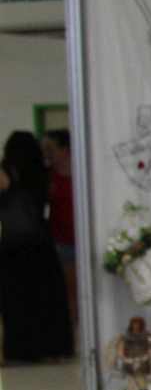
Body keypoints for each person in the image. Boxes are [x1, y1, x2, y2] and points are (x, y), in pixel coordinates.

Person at [0, 131, 74, 363]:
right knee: (46, 300)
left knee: (16, 302)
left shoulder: (6, 173)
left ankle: (21, 351)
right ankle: (52, 349)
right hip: (41, 245)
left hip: (12, 247)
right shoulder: (42, 175)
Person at [41, 129, 77, 326]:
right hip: (62, 242)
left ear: (65, 150)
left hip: (82, 239)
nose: (46, 154)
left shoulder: (81, 174)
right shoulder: (47, 177)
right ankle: (74, 330)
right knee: (68, 292)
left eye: (50, 148)